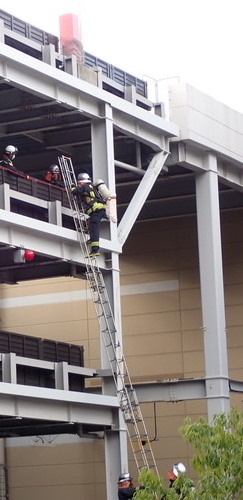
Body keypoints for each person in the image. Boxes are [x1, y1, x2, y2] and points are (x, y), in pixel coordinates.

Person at [71, 172, 107, 257]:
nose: (78, 185)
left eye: (79, 183)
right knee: (91, 225)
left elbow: (75, 192)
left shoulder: (85, 186)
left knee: (94, 228)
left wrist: (72, 186)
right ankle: (92, 239)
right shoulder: (93, 187)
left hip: (96, 210)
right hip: (99, 210)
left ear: (81, 182)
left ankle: (95, 250)